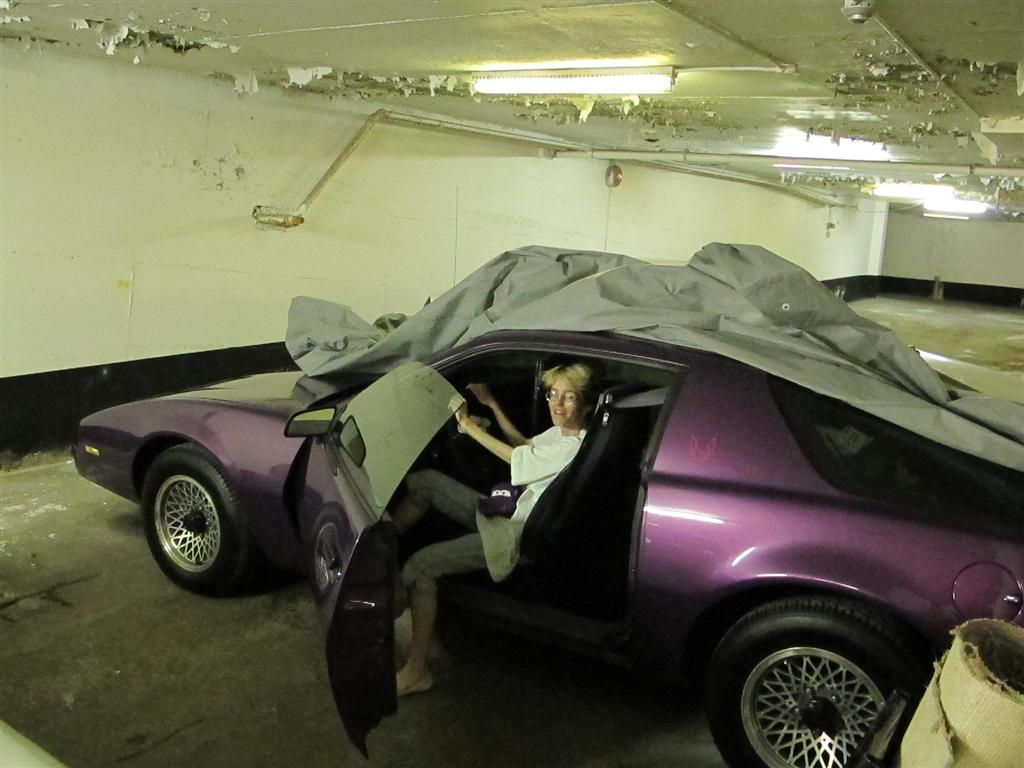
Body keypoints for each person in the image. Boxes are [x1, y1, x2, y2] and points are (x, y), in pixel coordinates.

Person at [390, 361, 597, 695]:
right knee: (425, 482)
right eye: (553, 394)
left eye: (569, 397)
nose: (557, 404)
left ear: (586, 406)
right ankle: (380, 548)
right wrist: (492, 405)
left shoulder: (572, 448)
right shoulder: (562, 434)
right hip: (506, 514)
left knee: (420, 565)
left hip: (514, 536)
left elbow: (514, 460)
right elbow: (522, 446)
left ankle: (417, 670)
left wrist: (467, 425)